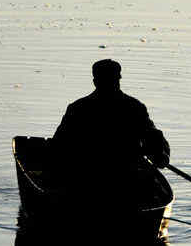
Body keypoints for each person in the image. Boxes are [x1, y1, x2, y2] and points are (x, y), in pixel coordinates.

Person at [51, 59, 169, 187]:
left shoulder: (77, 108)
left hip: (85, 179)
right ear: (119, 78)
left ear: (95, 81)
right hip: (127, 179)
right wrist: (157, 154)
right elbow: (158, 150)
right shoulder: (134, 107)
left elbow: (57, 146)